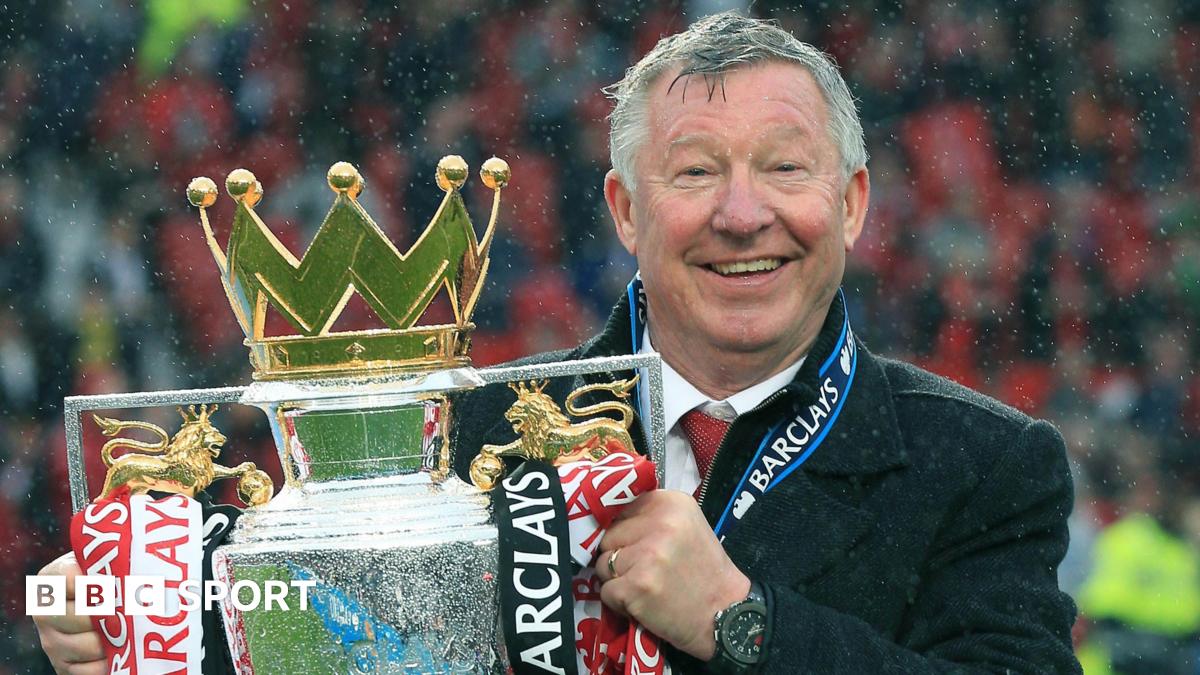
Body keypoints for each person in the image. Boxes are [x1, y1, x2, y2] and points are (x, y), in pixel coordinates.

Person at [35, 12, 1080, 674]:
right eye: (696, 172)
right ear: (626, 210)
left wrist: (746, 624)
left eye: (786, 170)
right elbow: (327, 641)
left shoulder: (985, 465)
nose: (743, 213)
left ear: (852, 203)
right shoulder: (460, 435)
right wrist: (130, 615)